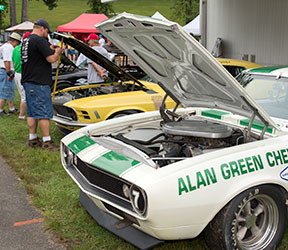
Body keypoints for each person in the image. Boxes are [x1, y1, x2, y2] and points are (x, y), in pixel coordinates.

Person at [21, 19, 62, 150]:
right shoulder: (39, 40)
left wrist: (48, 49)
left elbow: (36, 54)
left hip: (28, 81)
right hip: (39, 82)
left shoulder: (26, 41)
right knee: (44, 112)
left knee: (32, 112)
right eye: (46, 32)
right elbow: (51, 59)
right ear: (42, 28)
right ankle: (47, 141)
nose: (47, 34)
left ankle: (32, 138)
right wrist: (57, 52)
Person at [0, 32, 21, 116]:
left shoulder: (5, 46)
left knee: (9, 90)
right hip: (5, 70)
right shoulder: (9, 47)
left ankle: (11, 108)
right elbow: (7, 61)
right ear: (15, 41)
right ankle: (0, 110)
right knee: (5, 90)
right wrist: (9, 73)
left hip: (3, 70)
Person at [12, 32, 31, 120]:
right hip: (23, 74)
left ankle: (24, 113)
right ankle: (22, 115)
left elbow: (13, 61)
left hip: (16, 73)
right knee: (24, 97)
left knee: (22, 94)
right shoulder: (25, 49)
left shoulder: (15, 49)